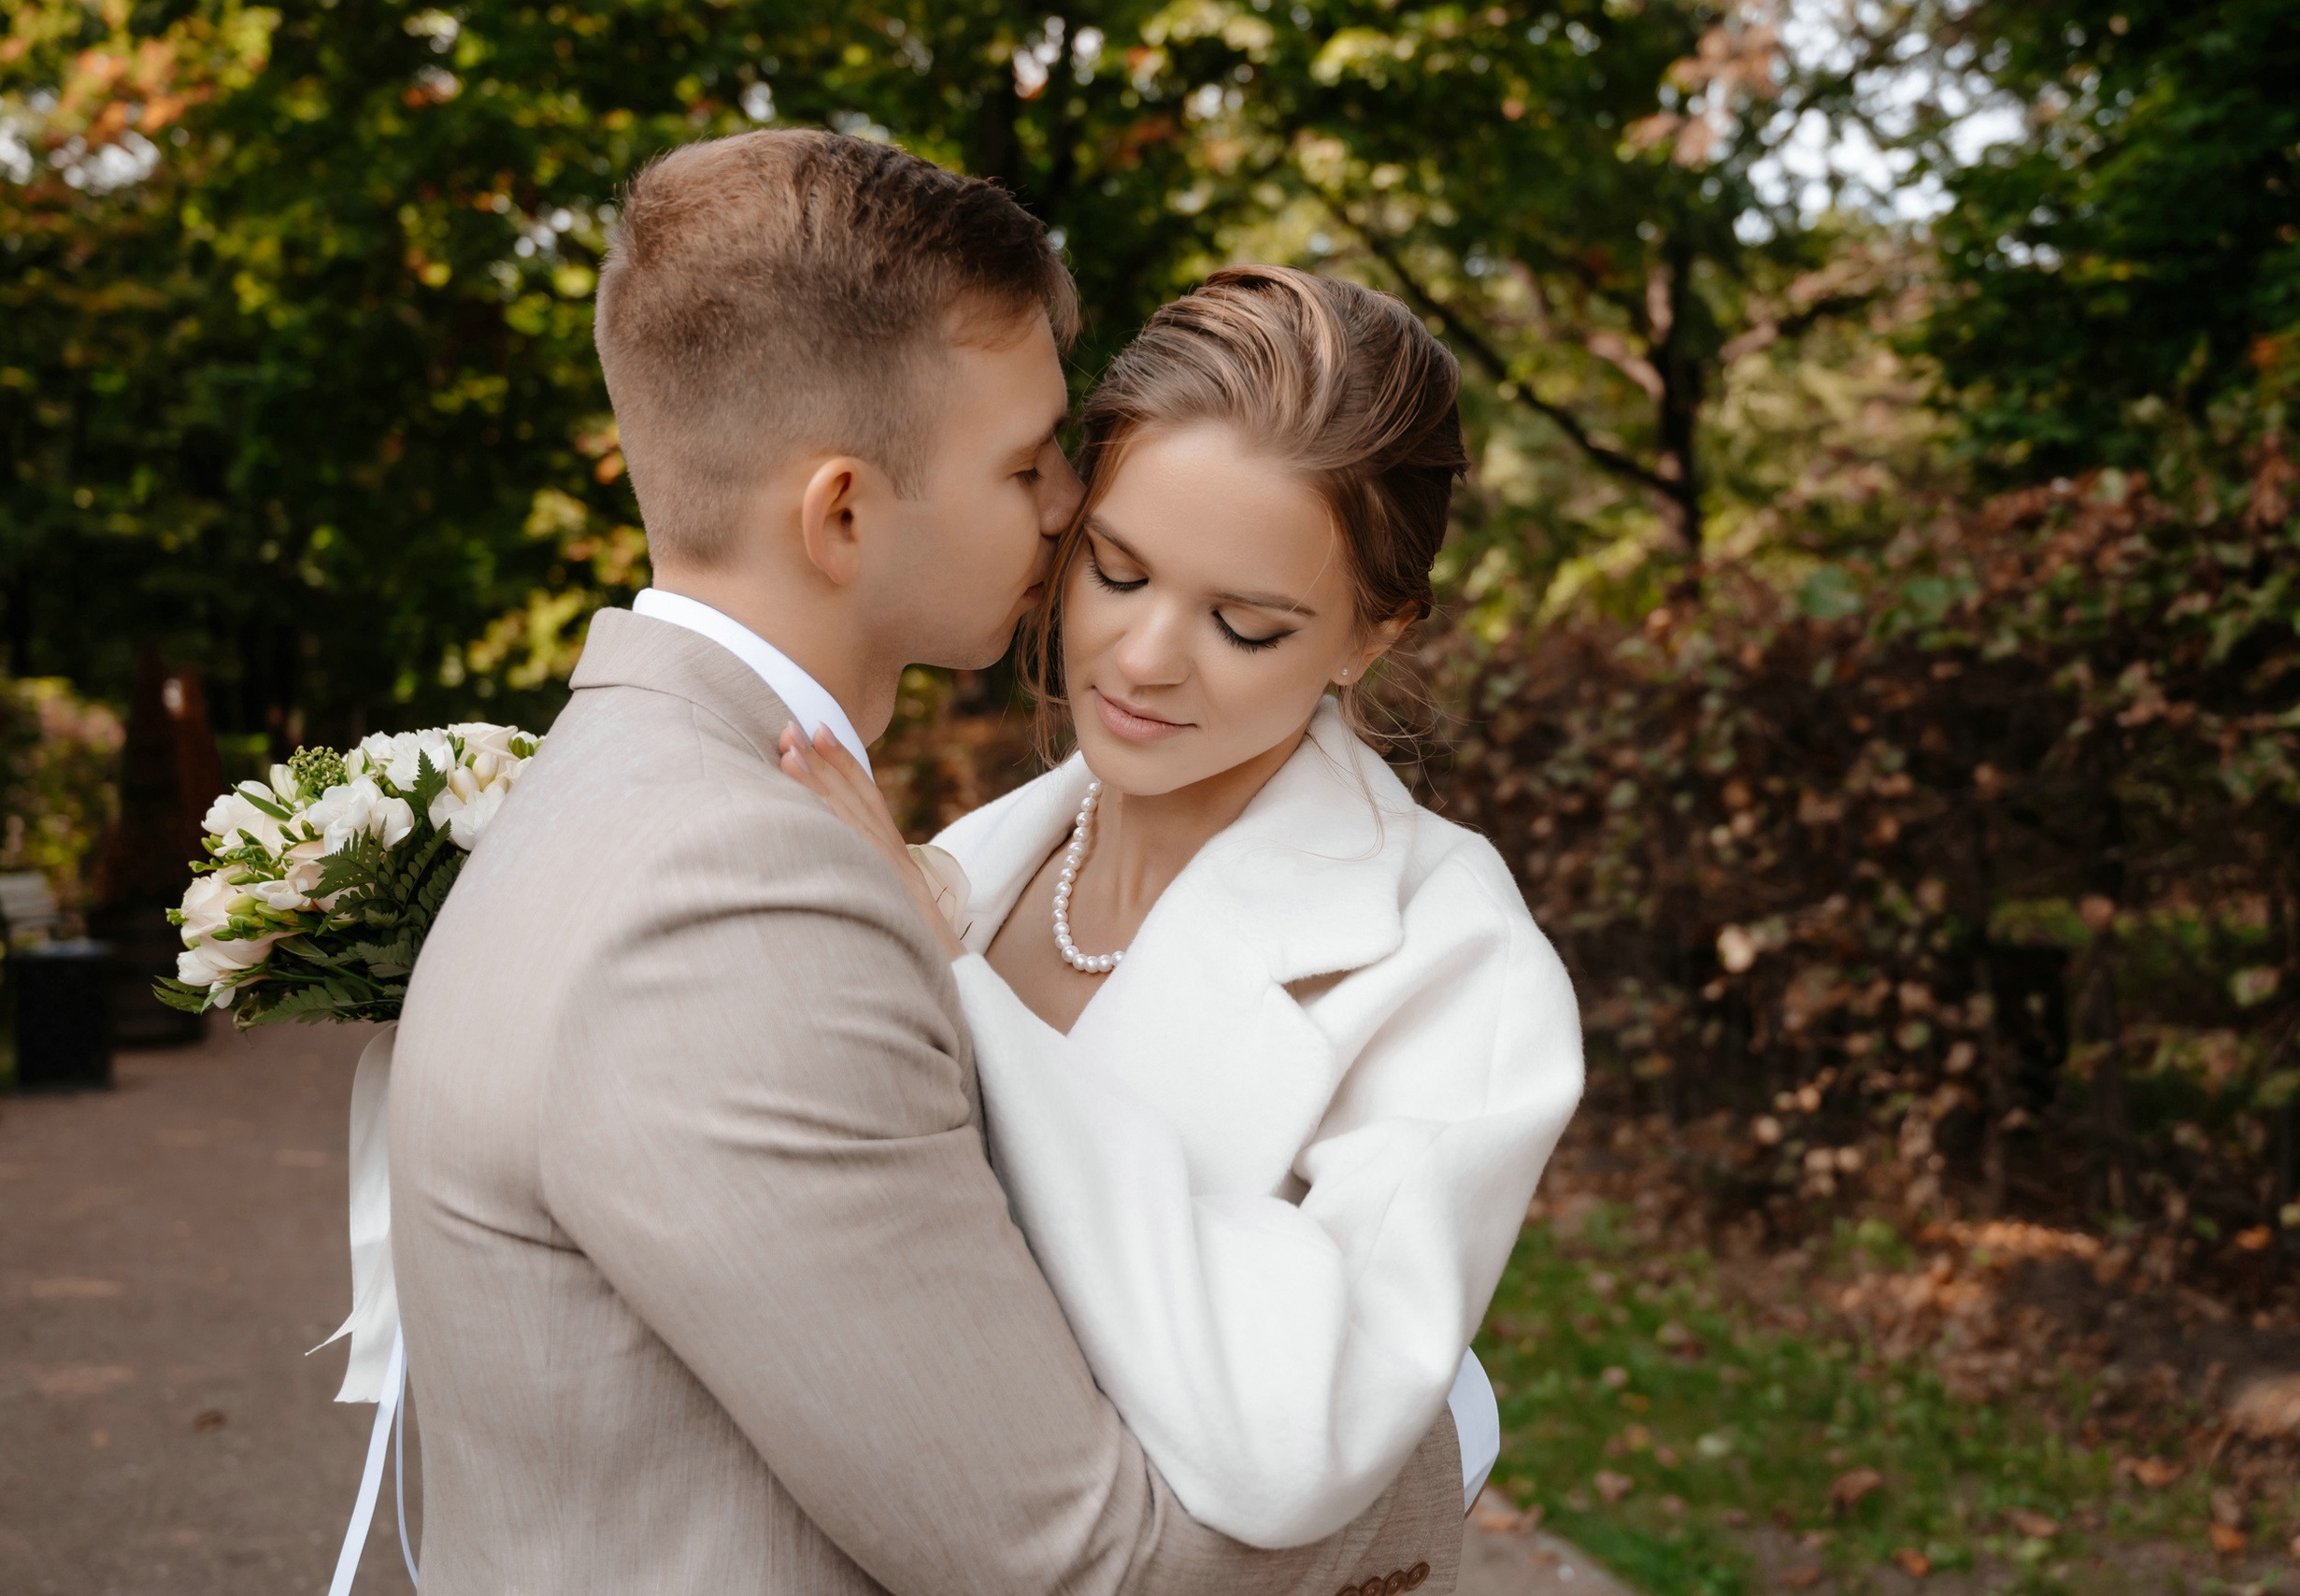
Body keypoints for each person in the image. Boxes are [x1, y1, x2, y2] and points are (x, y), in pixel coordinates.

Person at [387, 132, 1468, 1595]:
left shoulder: (606, 794)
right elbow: (1073, 1556)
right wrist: (1437, 1434)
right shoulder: (729, 903)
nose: (1065, 509)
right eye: (1027, 463)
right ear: (841, 513)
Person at [779, 266, 1584, 1549]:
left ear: (1371, 635)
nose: (1144, 659)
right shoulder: (968, 860)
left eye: (1247, 624)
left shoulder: (1459, 966)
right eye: (1116, 569)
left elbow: (1296, 1445)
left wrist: (958, 988)